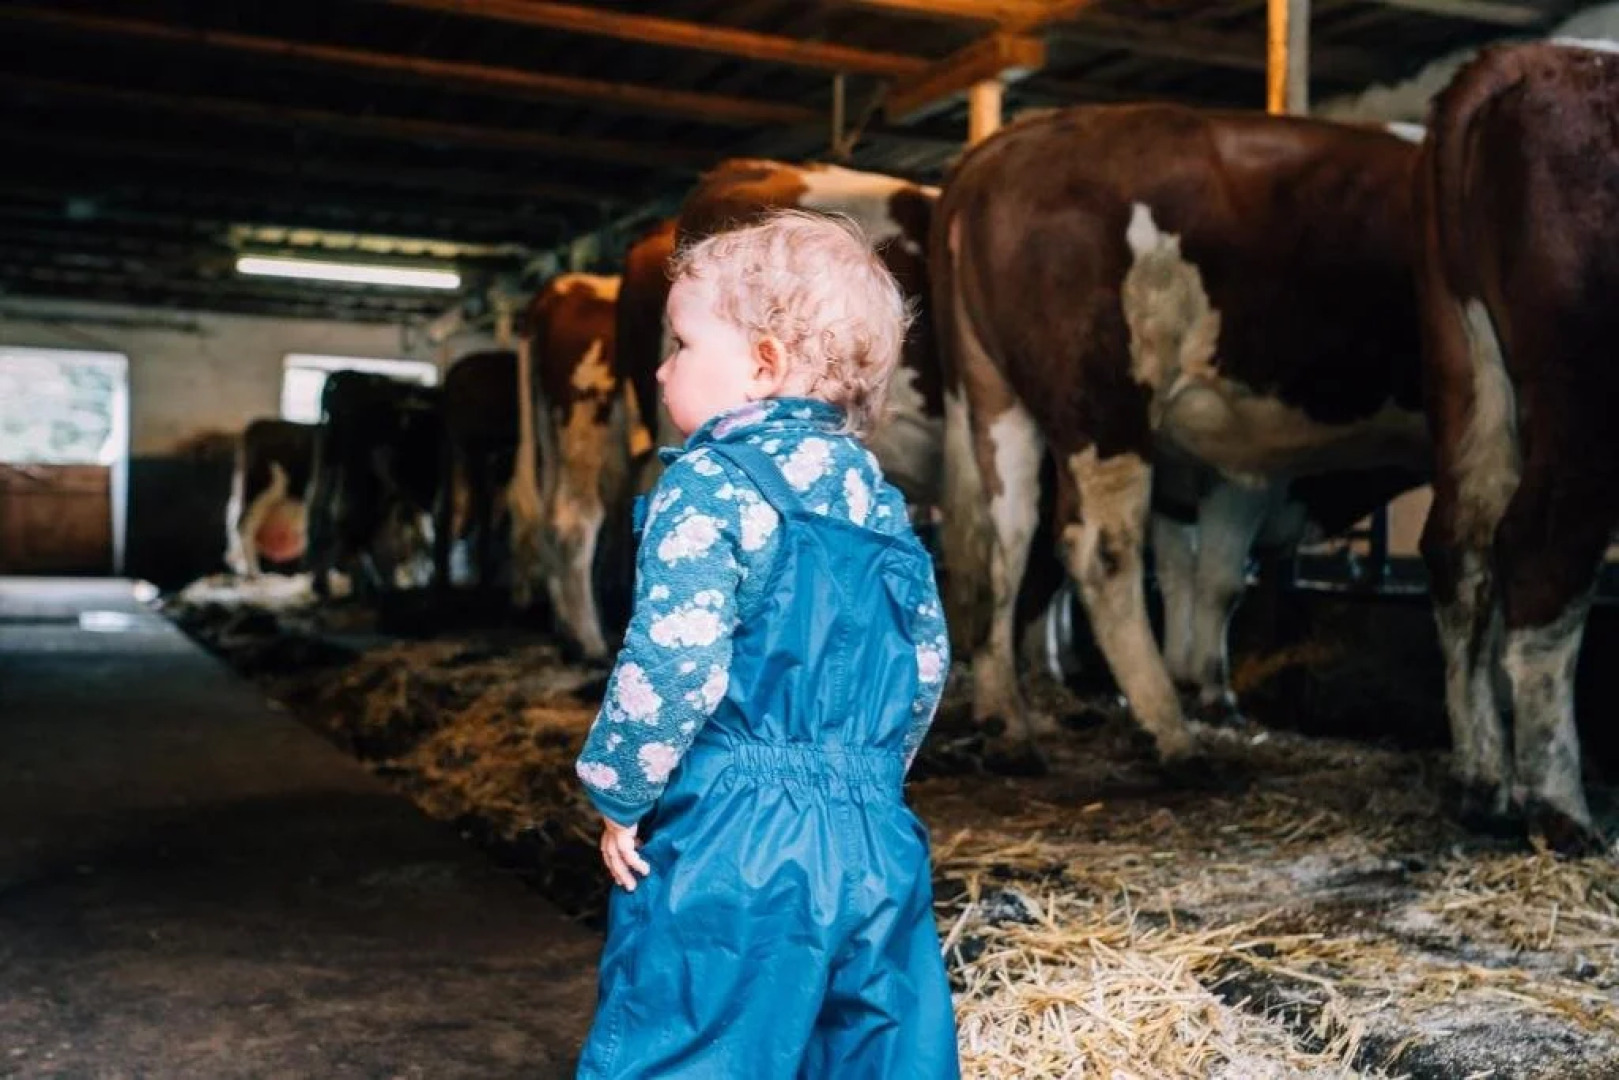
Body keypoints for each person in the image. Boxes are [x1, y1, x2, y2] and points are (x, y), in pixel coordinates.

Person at [572, 208, 960, 1078]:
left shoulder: (707, 483)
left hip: (736, 832)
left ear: (762, 367)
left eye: (679, 345)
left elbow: (674, 659)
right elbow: (927, 662)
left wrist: (620, 785)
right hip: (874, 834)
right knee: (872, 1051)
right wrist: (866, 779)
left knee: (696, 1041)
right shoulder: (881, 502)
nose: (662, 367)